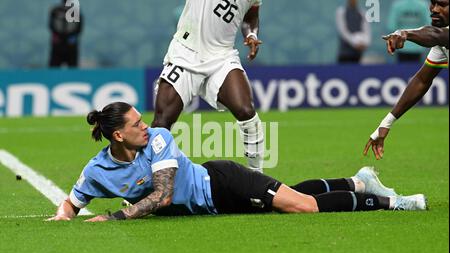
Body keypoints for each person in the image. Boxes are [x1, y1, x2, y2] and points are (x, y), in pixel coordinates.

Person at [47, 102, 426, 222]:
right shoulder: (97, 171)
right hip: (218, 206)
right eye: (137, 124)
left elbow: (162, 196)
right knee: (287, 197)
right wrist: (63, 218)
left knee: (303, 207)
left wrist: (115, 217)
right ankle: (357, 182)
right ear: (117, 136)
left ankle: (392, 202)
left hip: (222, 182)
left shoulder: (158, 139)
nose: (146, 126)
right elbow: (72, 203)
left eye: (142, 119)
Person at [151, 0, 265, 173]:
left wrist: (251, 35)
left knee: (246, 112)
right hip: (185, 52)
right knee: (162, 122)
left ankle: (257, 177)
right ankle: (146, 183)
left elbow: (250, 17)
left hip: (222, 56)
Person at [364, 0, 448, 160]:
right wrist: (386, 122)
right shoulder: (441, 43)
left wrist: (405, 34)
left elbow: (436, 35)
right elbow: (422, 80)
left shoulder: (441, 37)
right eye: (433, 3)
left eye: (443, 4)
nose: (435, 9)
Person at [49, 0, 83, 67]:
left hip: (65, 41)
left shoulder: (55, 10)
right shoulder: (56, 11)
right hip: (64, 41)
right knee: (57, 65)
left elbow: (51, 25)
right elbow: (79, 28)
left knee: (70, 65)